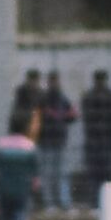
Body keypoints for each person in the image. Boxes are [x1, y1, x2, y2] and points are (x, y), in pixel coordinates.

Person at [81, 69, 111, 207]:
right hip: (103, 140)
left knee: (97, 173)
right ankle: (101, 200)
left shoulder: (90, 96)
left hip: (98, 140)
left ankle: (97, 200)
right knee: (101, 172)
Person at [37, 71, 77, 211]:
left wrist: (59, 115)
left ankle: (64, 202)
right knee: (47, 173)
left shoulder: (62, 99)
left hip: (59, 141)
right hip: (46, 141)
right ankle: (49, 203)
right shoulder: (43, 99)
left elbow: (72, 115)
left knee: (61, 173)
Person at [11, 69, 43, 141]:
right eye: (31, 80)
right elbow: (18, 110)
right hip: (22, 122)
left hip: (35, 125)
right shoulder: (21, 91)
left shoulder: (41, 93)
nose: (32, 84)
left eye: (35, 81)